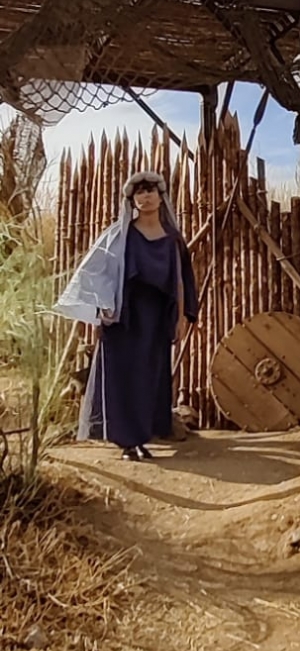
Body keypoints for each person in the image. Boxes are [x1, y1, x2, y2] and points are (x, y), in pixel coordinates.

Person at [54, 170, 197, 461]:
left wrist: (181, 318)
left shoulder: (173, 240)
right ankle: (126, 442)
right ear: (132, 200)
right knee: (123, 378)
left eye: (150, 191)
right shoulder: (120, 237)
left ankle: (142, 437)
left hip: (157, 320)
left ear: (161, 196)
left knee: (150, 377)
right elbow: (95, 273)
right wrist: (100, 311)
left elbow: (181, 281)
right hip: (124, 319)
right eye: (139, 193)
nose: (145, 196)